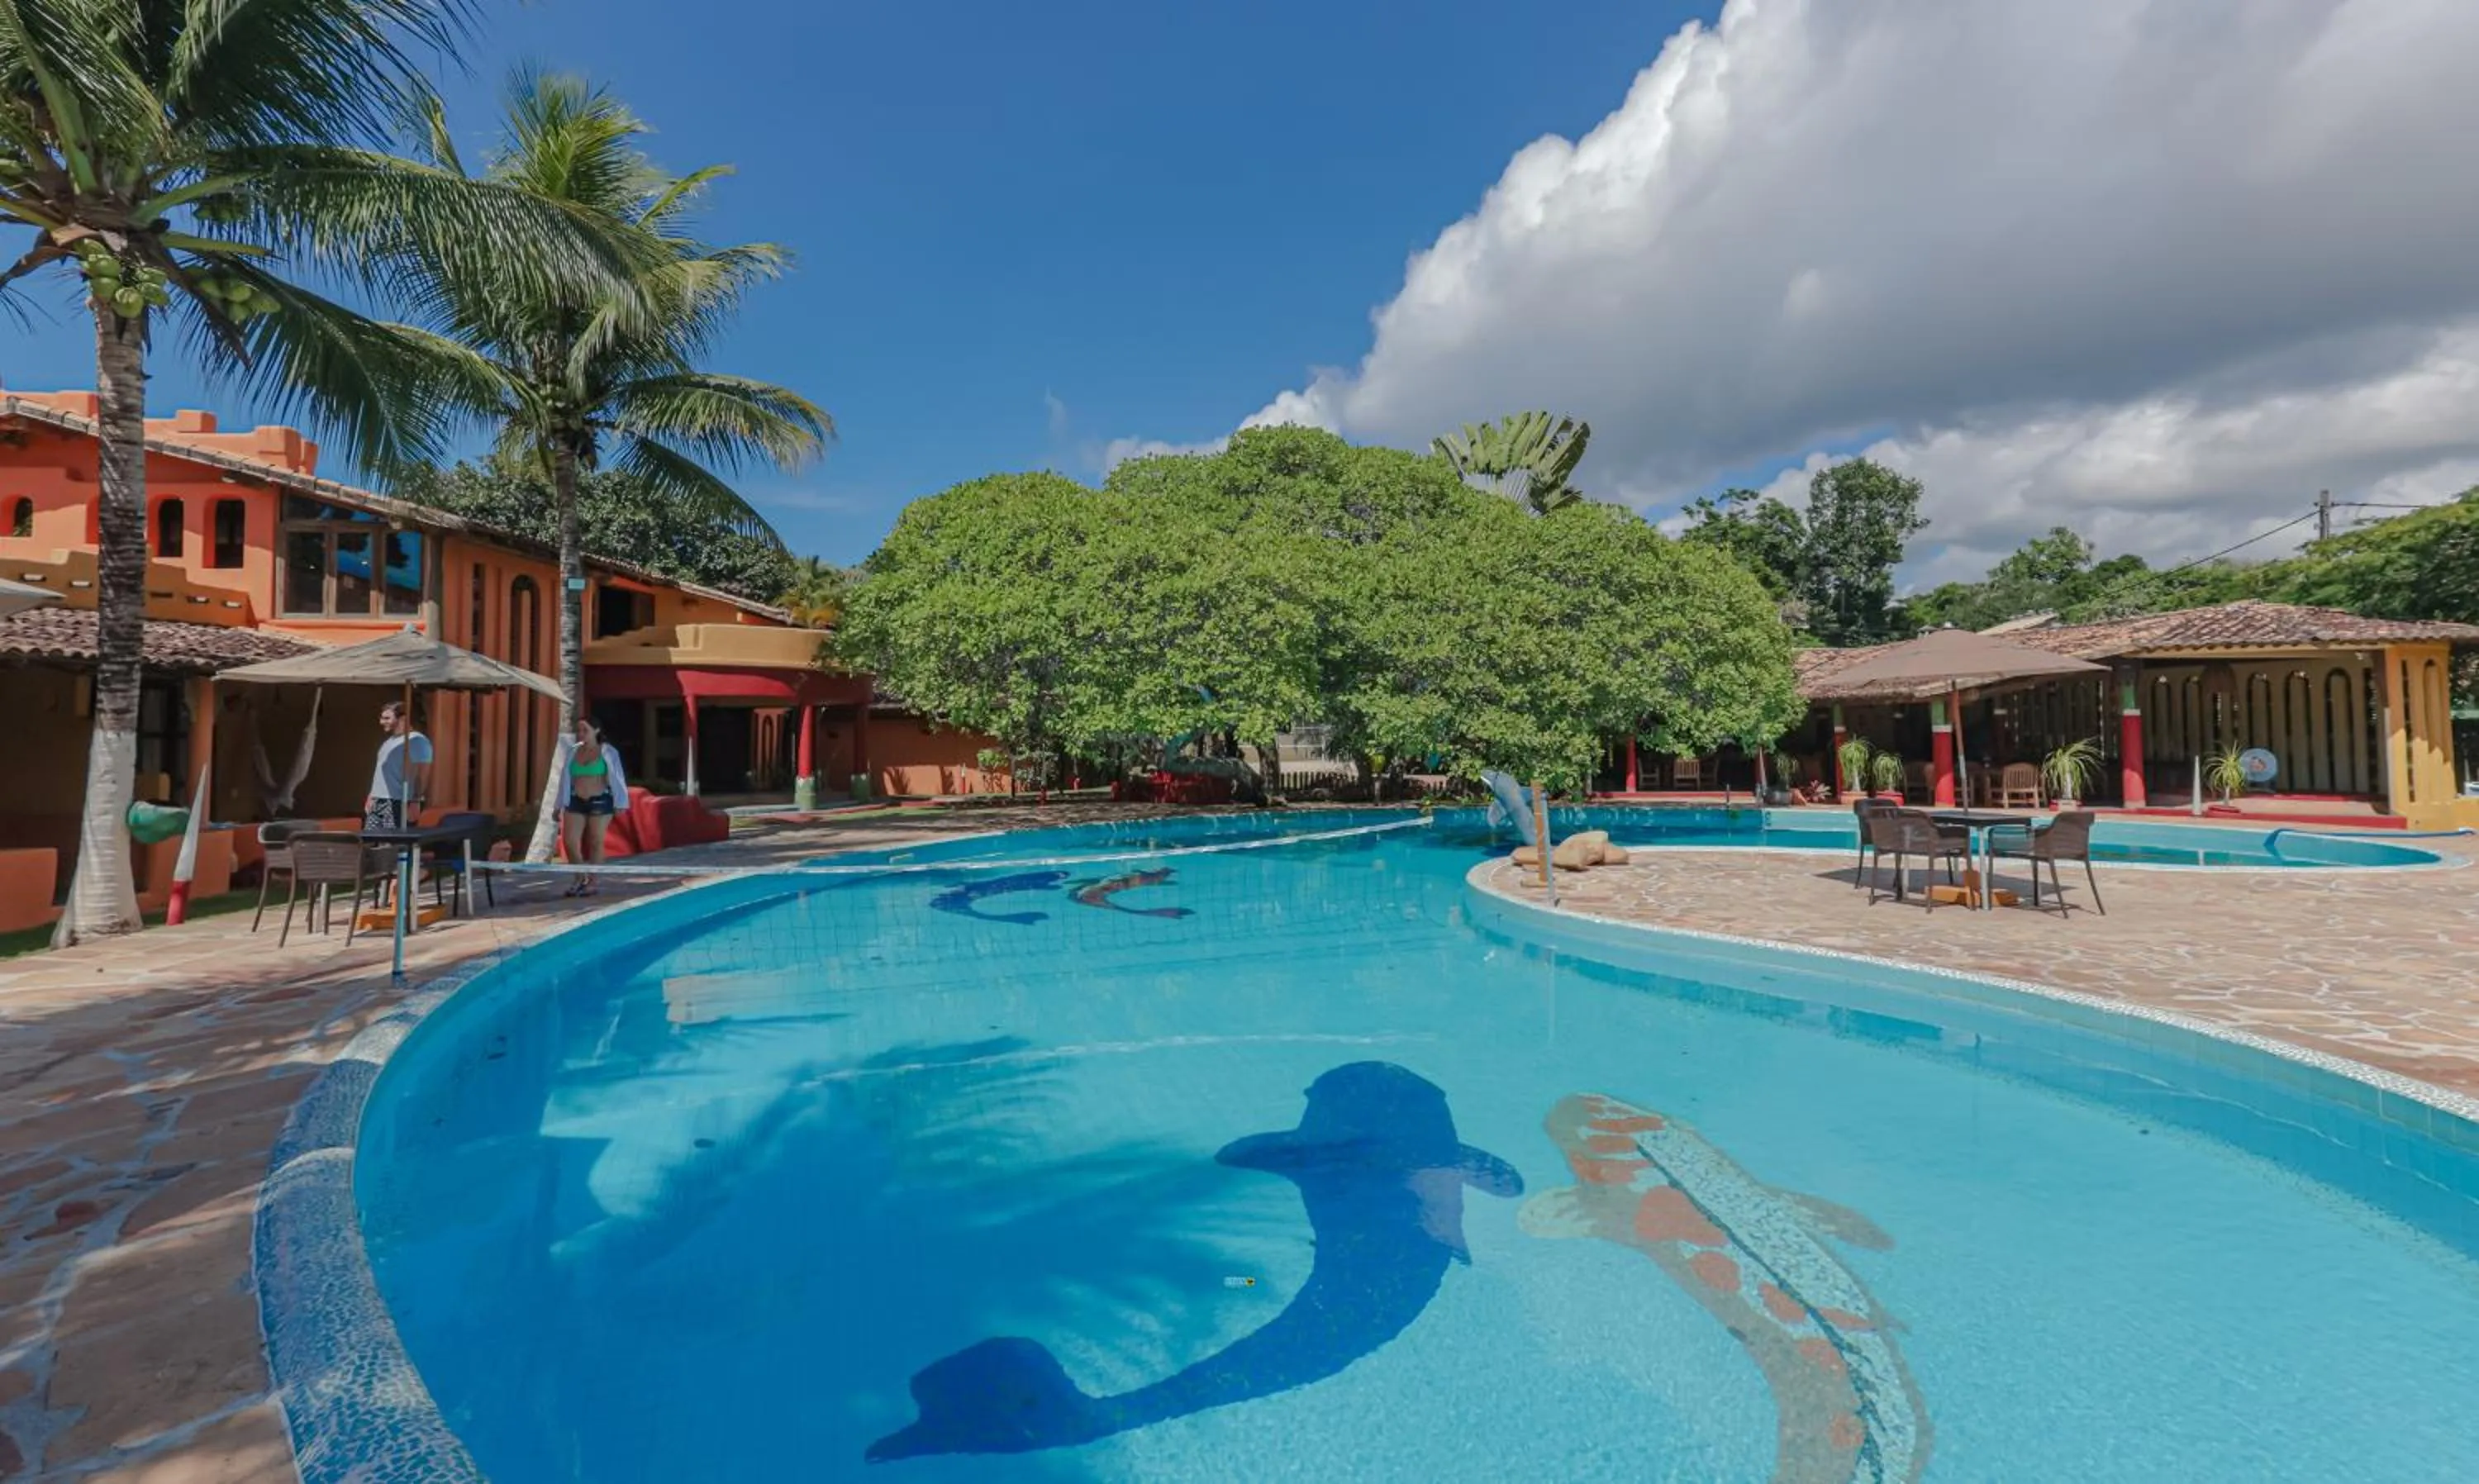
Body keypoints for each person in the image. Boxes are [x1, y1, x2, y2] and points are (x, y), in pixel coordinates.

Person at [556, 716, 631, 896]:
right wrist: (559, 804)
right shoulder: (573, 751)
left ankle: (593, 881)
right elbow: (565, 780)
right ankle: (580, 877)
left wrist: (621, 803)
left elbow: (617, 777)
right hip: (576, 800)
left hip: (600, 800)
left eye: (585, 730)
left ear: (596, 731)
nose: (581, 734)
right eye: (579, 730)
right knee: (570, 842)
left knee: (596, 841)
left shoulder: (608, 751)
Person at [365, 698, 432, 832]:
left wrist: (415, 801)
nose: (381, 722)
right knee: (370, 841)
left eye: (387, 718)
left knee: (393, 844)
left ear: (403, 718)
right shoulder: (388, 742)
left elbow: (422, 773)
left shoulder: (417, 741)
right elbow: (381, 771)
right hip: (378, 801)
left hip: (398, 801)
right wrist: (372, 795)